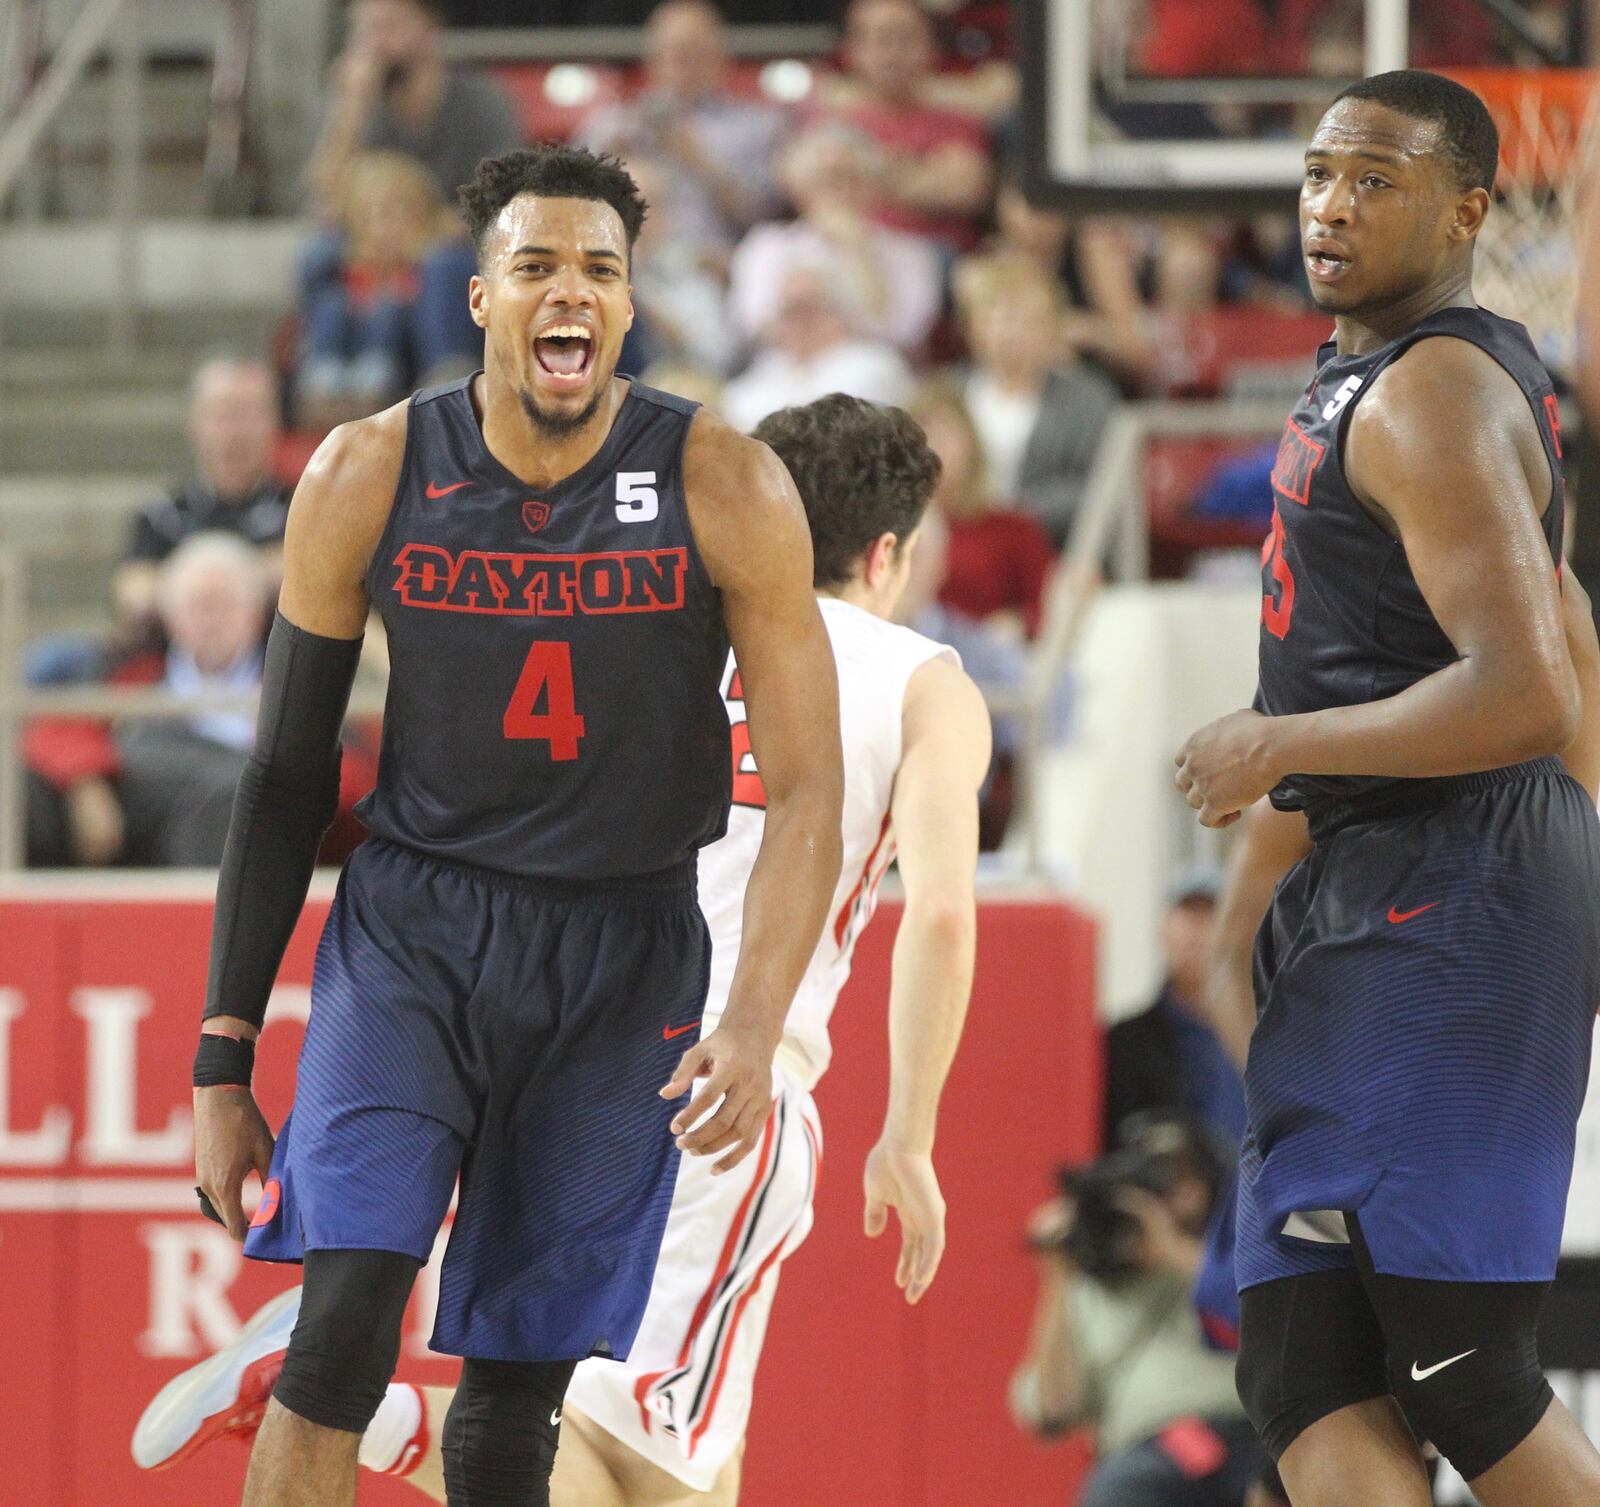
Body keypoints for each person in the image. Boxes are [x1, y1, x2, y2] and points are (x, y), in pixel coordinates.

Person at [135, 394, 991, 1506]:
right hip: (720, 1071)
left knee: (675, 1461)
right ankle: (364, 1406)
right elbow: (938, 909)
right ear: (888, 552)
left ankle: (345, 1385)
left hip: (555, 1015)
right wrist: (912, 1135)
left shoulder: (660, 609)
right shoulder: (920, 676)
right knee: (633, 1471)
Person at [186, 144, 844, 1507]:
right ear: (480, 297)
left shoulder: (726, 482)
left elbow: (811, 788)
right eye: (537, 265)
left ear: (629, 302)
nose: (572, 292)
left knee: (510, 1409)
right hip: (418, 929)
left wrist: (755, 1011)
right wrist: (219, 1056)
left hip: (625, 951)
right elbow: (285, 774)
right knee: (347, 1319)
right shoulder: (367, 470)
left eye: (600, 269)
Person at [1175, 70, 1600, 1507]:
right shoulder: (1377, 373)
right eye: (1317, 174)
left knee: (1459, 1368)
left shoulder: (1437, 389)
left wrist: (1279, 743)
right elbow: (1571, 626)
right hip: (1388, 881)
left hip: (1459, 887)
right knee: (1302, 1361)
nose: (1332, 204)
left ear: (1472, 208)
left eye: (1376, 178)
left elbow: (1534, 690)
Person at [1011, 1114, 1264, 1507]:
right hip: (1148, 1457)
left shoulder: (1244, 1249)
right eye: (1160, 1180)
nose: (1177, 1192)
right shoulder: (1092, 1289)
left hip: (1252, 1437)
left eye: (1184, 1175)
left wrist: (1169, 1249)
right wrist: (1059, 1276)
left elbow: (1283, 1318)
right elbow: (1054, 1409)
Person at [575, 0, 787, 259]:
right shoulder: (614, 123)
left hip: (718, 264)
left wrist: (700, 162)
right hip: (634, 263)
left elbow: (767, 218)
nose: (686, 64)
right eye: (676, 52)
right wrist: (607, 163)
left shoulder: (755, 127)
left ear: (721, 56)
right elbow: (567, 201)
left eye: (697, 52)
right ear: (652, 58)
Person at [729, 123, 943, 357]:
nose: (841, 191)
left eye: (853, 178)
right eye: (827, 178)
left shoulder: (911, 253)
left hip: (868, 367)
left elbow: (902, 333)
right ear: (799, 187)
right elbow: (752, 323)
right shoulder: (768, 245)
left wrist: (859, 252)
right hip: (784, 367)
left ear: (874, 186)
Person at [954, 256, 1123, 548]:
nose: (1011, 333)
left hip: (1052, 549)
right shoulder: (948, 391)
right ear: (972, 328)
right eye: (998, 317)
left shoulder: (1088, 398)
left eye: (1026, 320)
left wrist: (1013, 513)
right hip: (958, 547)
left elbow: (1101, 484)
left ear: (1054, 329)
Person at [297, 151, 472, 429]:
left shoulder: (437, 271)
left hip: (404, 373)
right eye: (372, 215)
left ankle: (376, 387)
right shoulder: (342, 271)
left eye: (399, 212)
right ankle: (325, 386)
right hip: (347, 367)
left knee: (389, 311)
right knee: (333, 305)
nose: (385, 228)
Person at [114, 358, 291, 632]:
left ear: (275, 423)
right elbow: (133, 591)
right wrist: (255, 573)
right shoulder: (163, 513)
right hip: (175, 665)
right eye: (223, 414)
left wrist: (185, 579)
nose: (236, 432)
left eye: (250, 414)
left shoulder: (302, 509)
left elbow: (313, 580)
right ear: (195, 423)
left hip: (274, 661)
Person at [304, 0, 522, 216]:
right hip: (373, 241)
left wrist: (427, 230)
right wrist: (350, 109)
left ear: (431, 28)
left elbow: (507, 197)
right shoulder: (349, 105)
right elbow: (321, 206)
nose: (376, 44)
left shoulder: (481, 101)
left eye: (389, 25)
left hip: (458, 238)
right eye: (365, 30)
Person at [818, 0, 993, 257]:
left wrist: (860, 174)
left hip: (932, 254)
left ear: (932, 47)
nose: (892, 54)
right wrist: (916, 174)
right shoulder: (830, 119)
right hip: (845, 253)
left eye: (905, 39)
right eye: (880, 40)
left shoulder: (958, 121)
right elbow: (810, 189)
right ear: (851, 50)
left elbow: (964, 190)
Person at [1101, 870, 1245, 1154]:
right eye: (1188, 912)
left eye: (1212, 912)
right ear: (1164, 927)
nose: (1199, 927)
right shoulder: (1125, 1042)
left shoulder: (1264, 1033)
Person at [907, 380, 1055, 639]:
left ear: (971, 445)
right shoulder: (891, 528)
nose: (934, 448)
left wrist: (1019, 623)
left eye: (945, 434)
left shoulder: (1012, 527)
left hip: (988, 657)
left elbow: (1045, 606)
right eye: (923, 436)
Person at [720, 266, 914, 434]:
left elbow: (827, 424)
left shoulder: (872, 362)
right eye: (787, 311)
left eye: (806, 307)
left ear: (838, 309)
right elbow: (733, 404)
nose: (797, 321)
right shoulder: (773, 364)